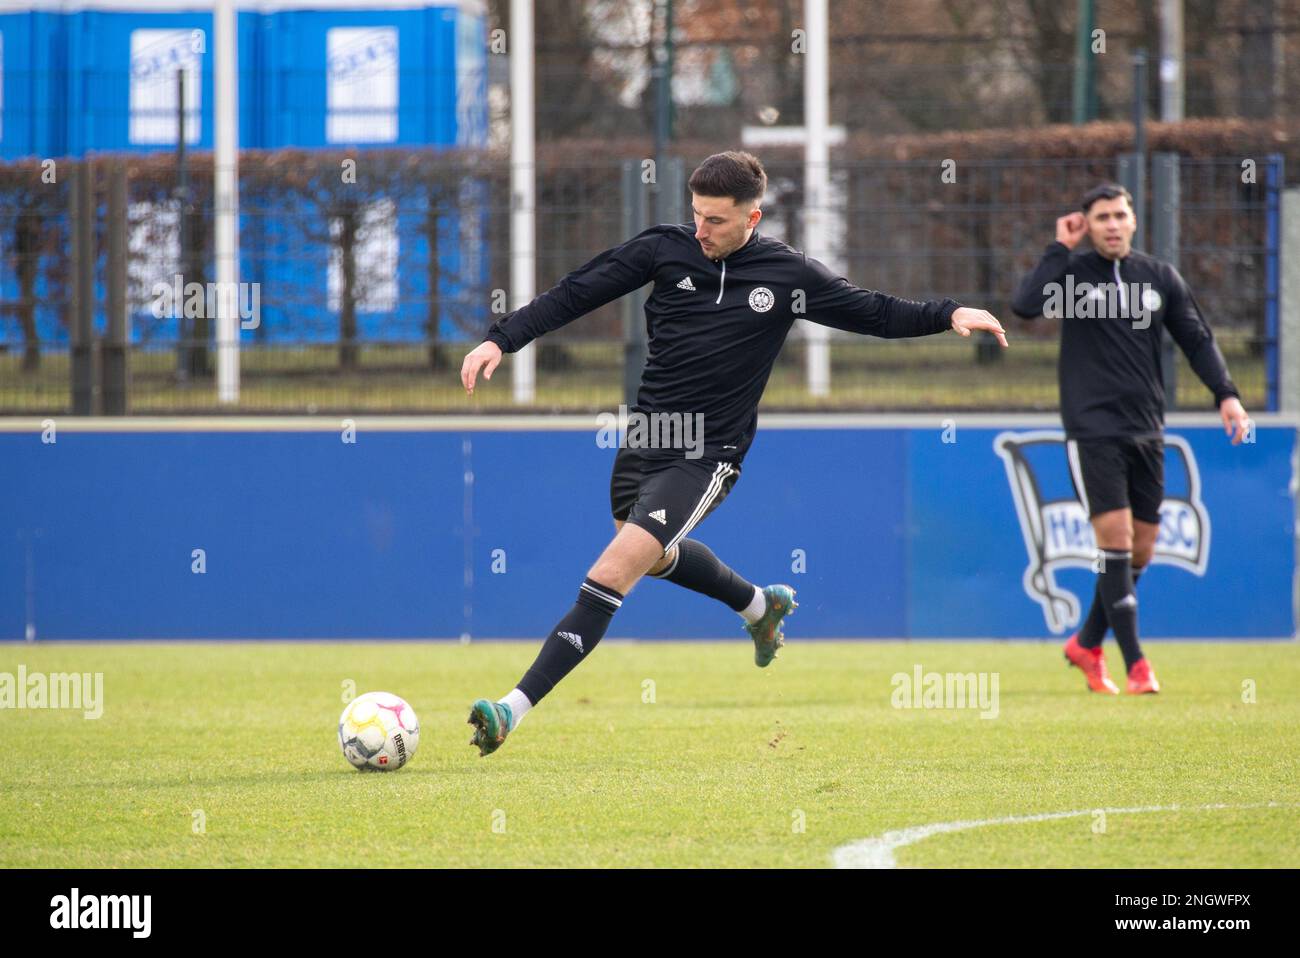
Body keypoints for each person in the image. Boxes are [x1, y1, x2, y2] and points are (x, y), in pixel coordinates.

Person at [459, 150, 1009, 755]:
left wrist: (949, 312)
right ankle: (757, 604)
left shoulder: (788, 275)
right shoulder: (663, 250)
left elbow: (872, 311)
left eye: (715, 220)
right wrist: (501, 340)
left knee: (611, 573)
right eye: (696, 215)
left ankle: (511, 709)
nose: (701, 230)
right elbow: (576, 293)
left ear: (753, 217)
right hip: (648, 436)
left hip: (708, 453)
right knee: (646, 552)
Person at [1010, 183, 1250, 695]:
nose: (1113, 225)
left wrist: (1226, 395)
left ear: (1134, 220)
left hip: (1148, 430)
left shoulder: (1159, 277)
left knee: (1141, 549)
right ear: (1087, 224)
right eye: (1102, 217)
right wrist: (1059, 247)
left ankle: (1086, 643)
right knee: (1115, 542)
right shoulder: (1072, 276)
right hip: (1093, 430)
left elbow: (1198, 339)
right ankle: (1137, 664)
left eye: (1120, 215)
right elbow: (1025, 305)